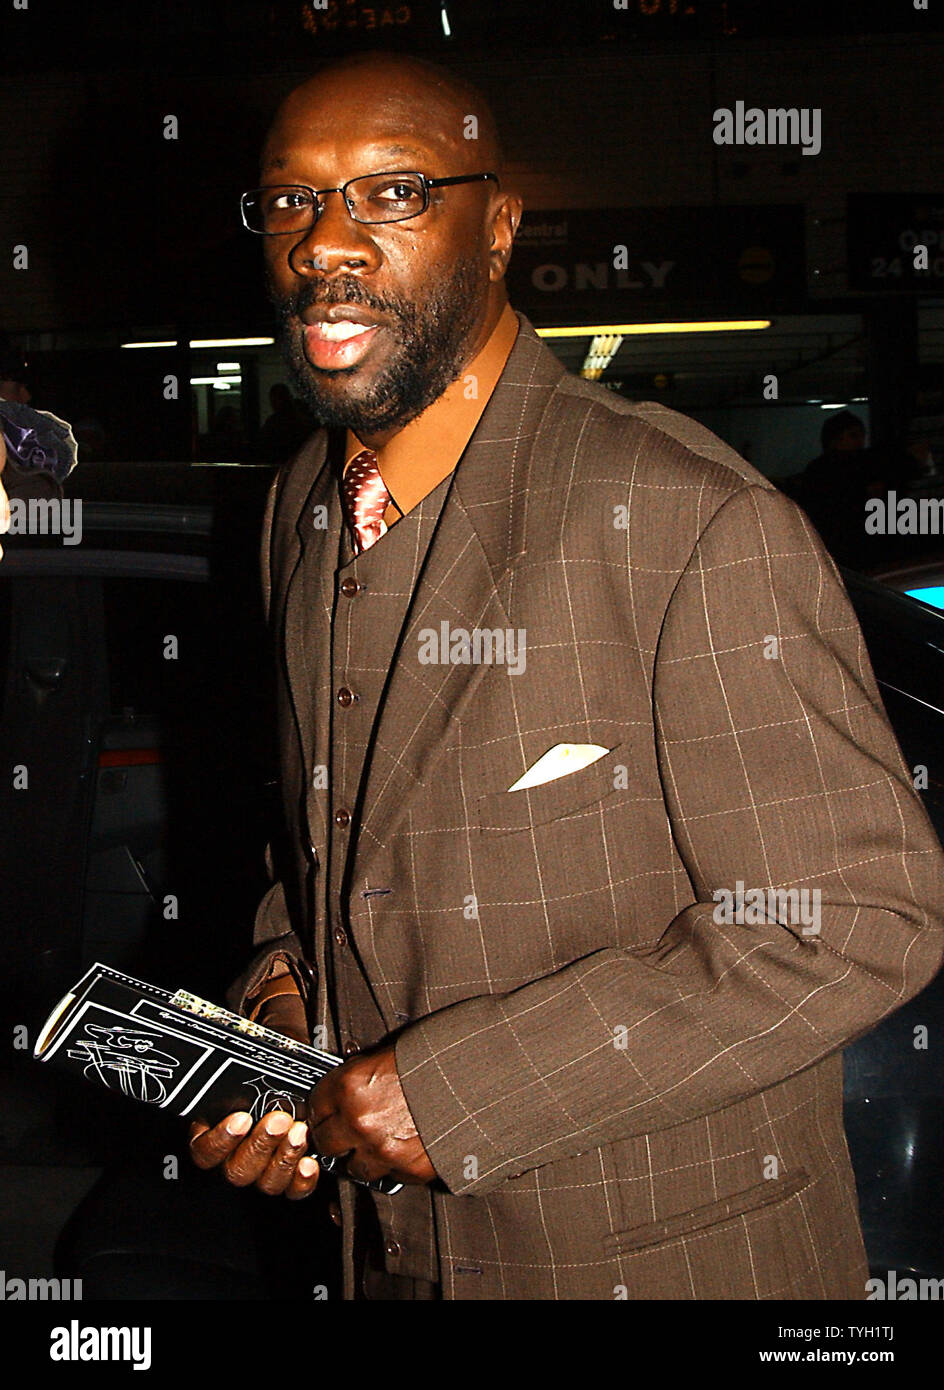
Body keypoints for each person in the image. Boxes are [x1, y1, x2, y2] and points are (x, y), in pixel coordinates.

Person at [189, 50, 944, 1300]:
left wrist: (452, 1092)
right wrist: (281, 1002)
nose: (325, 243)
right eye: (290, 201)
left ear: (496, 228)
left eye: (391, 193)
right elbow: (326, 840)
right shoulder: (299, 510)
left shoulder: (680, 515)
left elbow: (858, 914)